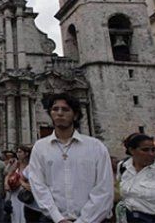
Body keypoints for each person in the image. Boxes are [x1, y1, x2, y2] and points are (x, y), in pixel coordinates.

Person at [30, 93, 114, 223]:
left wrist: (83, 221)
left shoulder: (96, 147)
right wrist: (58, 218)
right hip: (53, 220)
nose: (59, 113)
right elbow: (38, 185)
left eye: (65, 109)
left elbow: (104, 189)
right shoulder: (40, 147)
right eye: (55, 109)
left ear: (75, 115)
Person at [118, 133, 155, 222]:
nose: (151, 154)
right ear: (132, 150)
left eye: (153, 150)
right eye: (145, 150)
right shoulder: (123, 167)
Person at [4, 145, 32, 223]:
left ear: (26, 154)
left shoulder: (31, 165)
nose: (18, 154)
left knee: (24, 216)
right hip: (15, 193)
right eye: (17, 152)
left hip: (25, 194)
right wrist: (6, 183)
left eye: (20, 152)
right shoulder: (16, 164)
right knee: (15, 215)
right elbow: (8, 175)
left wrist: (24, 184)